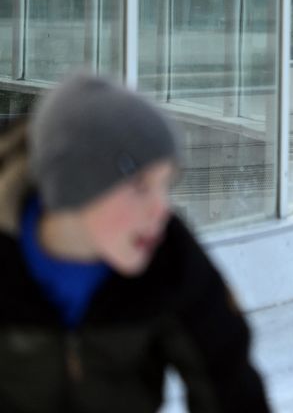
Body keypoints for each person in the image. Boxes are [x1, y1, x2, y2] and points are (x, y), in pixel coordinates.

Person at [0, 72, 270, 411]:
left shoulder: (167, 253)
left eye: (166, 185)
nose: (162, 210)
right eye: (140, 186)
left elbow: (228, 381)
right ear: (77, 188)